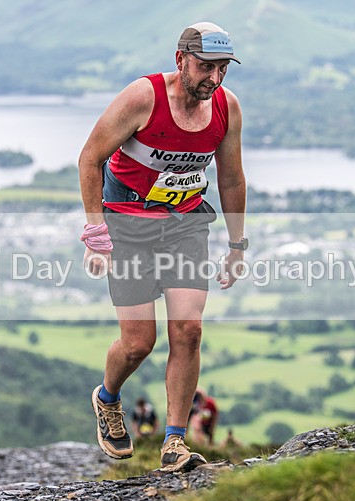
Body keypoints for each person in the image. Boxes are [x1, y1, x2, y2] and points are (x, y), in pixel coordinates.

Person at [80, 22, 248, 473]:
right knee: (138, 343)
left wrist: (237, 245)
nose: (213, 78)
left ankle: (174, 442)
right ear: (181, 60)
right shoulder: (143, 98)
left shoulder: (226, 110)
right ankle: (108, 397)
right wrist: (97, 233)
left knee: (188, 330)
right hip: (128, 225)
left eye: (222, 69)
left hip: (185, 224)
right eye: (205, 67)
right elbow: (90, 157)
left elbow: (231, 177)